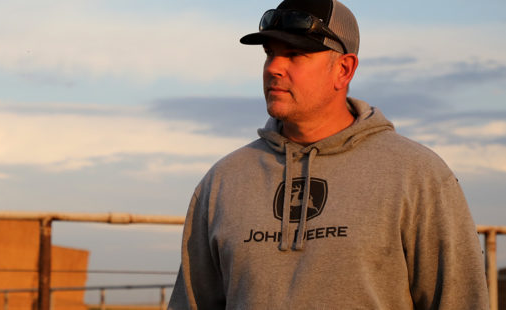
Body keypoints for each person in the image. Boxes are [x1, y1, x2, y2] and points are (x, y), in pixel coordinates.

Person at [167, 0, 489, 308]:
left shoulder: (418, 175)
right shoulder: (223, 181)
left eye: (294, 54)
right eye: (270, 54)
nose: (274, 68)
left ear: (344, 70)